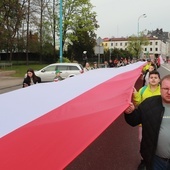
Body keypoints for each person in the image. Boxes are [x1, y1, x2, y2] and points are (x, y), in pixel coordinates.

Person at [124, 74, 170, 170]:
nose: (169, 92)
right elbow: (134, 120)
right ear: (160, 88)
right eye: (166, 88)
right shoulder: (149, 103)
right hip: (156, 160)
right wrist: (130, 112)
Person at [133, 70, 161, 170]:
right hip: (144, 122)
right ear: (148, 79)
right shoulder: (142, 90)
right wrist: (135, 95)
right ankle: (144, 160)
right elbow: (138, 104)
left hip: (158, 122)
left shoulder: (162, 90)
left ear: (159, 80)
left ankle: (156, 159)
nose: (153, 79)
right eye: (151, 77)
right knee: (142, 140)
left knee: (157, 141)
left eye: (155, 78)